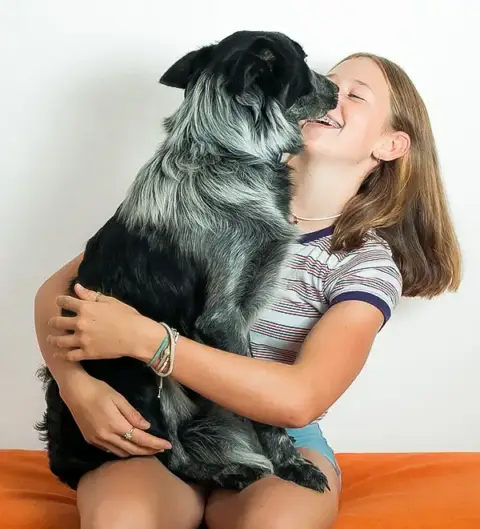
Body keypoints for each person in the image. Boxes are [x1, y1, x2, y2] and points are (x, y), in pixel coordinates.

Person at [35, 52, 461, 529]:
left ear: (391, 144)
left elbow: (302, 398)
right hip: (155, 423)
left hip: (278, 440)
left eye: (355, 94)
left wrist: (146, 341)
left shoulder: (364, 263)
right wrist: (76, 386)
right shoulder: (196, 191)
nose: (327, 90)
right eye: (326, 80)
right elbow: (57, 292)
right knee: (122, 518)